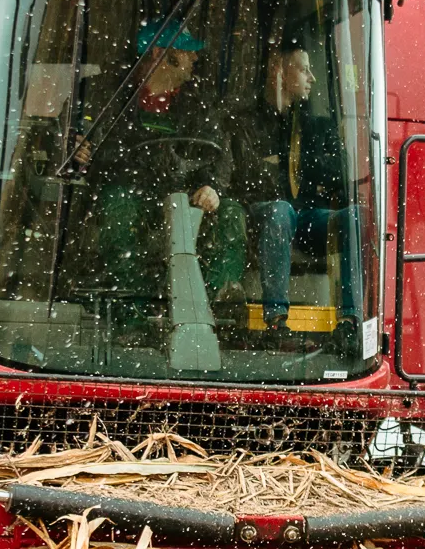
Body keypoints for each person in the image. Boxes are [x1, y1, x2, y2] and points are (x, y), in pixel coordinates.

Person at [86, 18, 247, 324]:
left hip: (187, 197)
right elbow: (93, 149)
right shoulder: (112, 97)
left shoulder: (200, 102)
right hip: (136, 194)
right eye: (187, 52)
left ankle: (209, 311)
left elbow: (221, 154)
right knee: (119, 204)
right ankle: (132, 311)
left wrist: (212, 186)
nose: (195, 59)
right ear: (163, 53)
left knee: (231, 214)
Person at [230, 41, 361, 339]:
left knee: (354, 216)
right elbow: (242, 178)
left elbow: (342, 172)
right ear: (279, 70)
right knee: (280, 210)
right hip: (260, 217)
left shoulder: (315, 125)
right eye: (303, 70)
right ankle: (276, 319)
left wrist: (297, 162)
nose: (312, 78)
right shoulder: (247, 121)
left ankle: (351, 320)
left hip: (306, 219)